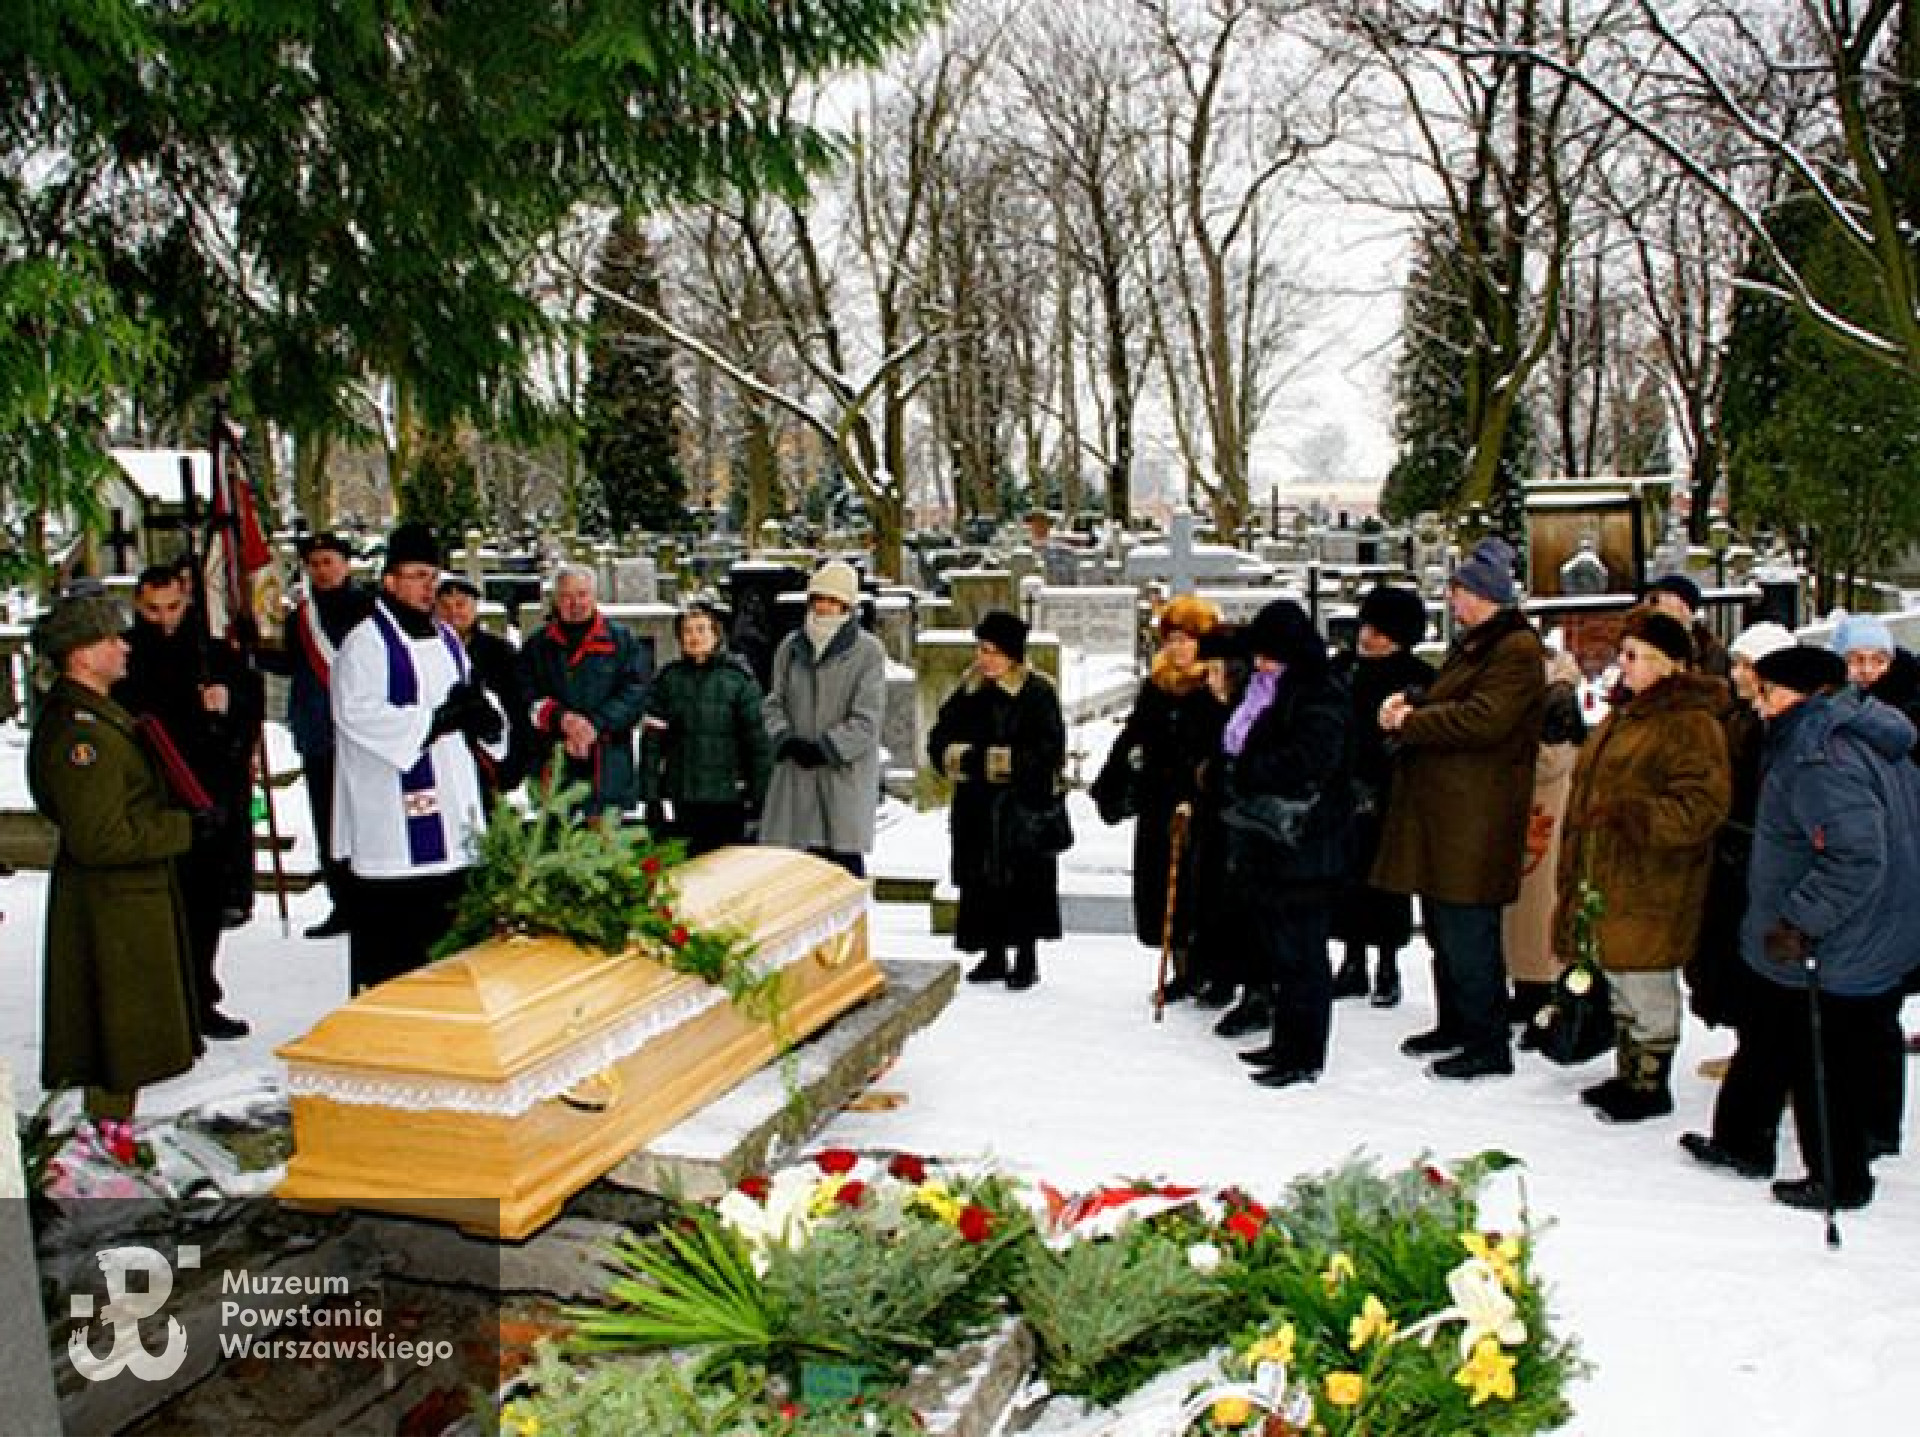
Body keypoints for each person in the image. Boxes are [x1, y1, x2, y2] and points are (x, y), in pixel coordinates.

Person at [1737, 644, 1920, 1212]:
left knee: (1827, 1060)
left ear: (1802, 693)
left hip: (1841, 937)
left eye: (1767, 692)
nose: (1760, 706)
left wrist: (1801, 918)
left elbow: (1855, 855)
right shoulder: (1862, 735)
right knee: (1856, 1048)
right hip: (1880, 927)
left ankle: (1839, 1177)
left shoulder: (1817, 755)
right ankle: (1858, 1150)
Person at [30, 593, 207, 1119]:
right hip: (111, 907)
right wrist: (180, 828)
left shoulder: (97, 717)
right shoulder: (81, 735)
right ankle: (108, 1144)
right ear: (81, 654)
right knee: (115, 1040)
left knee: (121, 1043)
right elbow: (99, 837)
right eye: (111, 638)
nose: (123, 646)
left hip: (125, 900)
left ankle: (113, 1139)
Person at [1374, 536, 1545, 1080]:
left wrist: (1410, 722)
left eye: (1458, 591)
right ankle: (1455, 1024)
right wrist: (1416, 700)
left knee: (1470, 932)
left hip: (1477, 815)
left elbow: (1484, 719)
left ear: (1482, 594)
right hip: (1448, 813)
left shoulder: (1515, 649)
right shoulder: (1479, 643)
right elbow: (1455, 698)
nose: (1451, 601)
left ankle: (1486, 1041)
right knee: (1445, 928)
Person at [1554, 607, 1731, 1123]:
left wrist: (1635, 815)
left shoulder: (1689, 723)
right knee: (1619, 975)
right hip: (1609, 870)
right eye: (1623, 655)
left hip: (1652, 875)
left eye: (1635, 656)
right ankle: (1628, 1070)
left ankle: (1651, 1082)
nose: (1623, 665)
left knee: (1646, 979)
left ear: (1671, 664)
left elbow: (1702, 805)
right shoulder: (1629, 712)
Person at [331, 522, 506, 991]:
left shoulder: (448, 640)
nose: (431, 587)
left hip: (454, 812)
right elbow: (358, 715)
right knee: (398, 957)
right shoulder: (364, 644)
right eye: (419, 576)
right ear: (389, 581)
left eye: (434, 577)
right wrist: (434, 721)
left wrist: (487, 722)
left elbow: (474, 697)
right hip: (394, 824)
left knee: (453, 945)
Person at [115, 564, 265, 1040]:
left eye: (173, 607)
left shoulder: (212, 653)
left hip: (212, 794)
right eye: (151, 609)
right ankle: (166, 1004)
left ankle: (201, 994)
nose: (163, 619)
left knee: (205, 905)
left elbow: (247, 716)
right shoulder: (126, 658)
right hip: (156, 797)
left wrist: (228, 708)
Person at [1680, 621, 1800, 1176]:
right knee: (1760, 1012)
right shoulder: (1747, 721)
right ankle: (1744, 1136)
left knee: (1772, 1016)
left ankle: (1750, 1141)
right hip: (1751, 870)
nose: (1740, 677)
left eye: (1754, 670)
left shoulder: (1791, 738)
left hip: (1776, 883)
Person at [1220, 600, 1353, 1089]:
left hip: (1306, 841)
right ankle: (1285, 1039)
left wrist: (1249, 768)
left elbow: (1311, 759)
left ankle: (1304, 1052)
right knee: (1281, 948)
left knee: (1304, 952)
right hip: (1270, 840)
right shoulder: (1266, 688)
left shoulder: (1319, 691)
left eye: (1269, 655)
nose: (1260, 664)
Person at [1091, 596, 1227, 1002]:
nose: (1178, 648)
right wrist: (1113, 780)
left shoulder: (1216, 685)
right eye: (1171, 639)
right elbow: (1134, 735)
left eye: (1187, 639)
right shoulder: (1157, 685)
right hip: (1158, 798)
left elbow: (1221, 745)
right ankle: (1180, 969)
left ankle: (1210, 971)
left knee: (1199, 888)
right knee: (1161, 884)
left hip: (1202, 802)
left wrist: (1198, 792)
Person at [928, 611, 1068, 991]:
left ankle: (1025, 956)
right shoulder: (969, 691)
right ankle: (991, 953)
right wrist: (959, 759)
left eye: (993, 651)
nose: (985, 658)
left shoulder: (1037, 693)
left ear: (1012, 654)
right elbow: (939, 738)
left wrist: (994, 762)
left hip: (1020, 807)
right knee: (980, 881)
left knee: (1022, 882)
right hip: (975, 804)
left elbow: (1047, 750)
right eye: (981, 649)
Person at [1330, 585, 1434, 1009]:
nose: (1366, 636)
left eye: (1377, 629)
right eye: (1365, 626)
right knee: (1345, 880)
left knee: (1386, 883)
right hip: (1343, 788)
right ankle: (1352, 961)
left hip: (1392, 792)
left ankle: (1387, 964)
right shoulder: (1343, 669)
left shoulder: (1417, 678)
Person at [761, 559, 887, 878]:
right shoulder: (790, 648)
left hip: (841, 776)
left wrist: (827, 747)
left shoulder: (868, 651)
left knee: (842, 866)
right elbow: (773, 701)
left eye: (833, 601)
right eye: (818, 599)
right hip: (796, 773)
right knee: (797, 872)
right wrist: (784, 738)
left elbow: (867, 719)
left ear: (846, 605)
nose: (824, 608)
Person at [279, 532, 375, 937]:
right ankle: (342, 903)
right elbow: (290, 664)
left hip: (361, 733)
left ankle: (372, 900)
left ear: (346, 564)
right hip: (318, 731)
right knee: (327, 821)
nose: (321, 570)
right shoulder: (300, 617)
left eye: (329, 561)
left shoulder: (369, 610)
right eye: (314, 563)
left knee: (365, 820)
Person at [638, 603, 773, 856]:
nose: (695, 637)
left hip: (727, 796)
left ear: (716, 634)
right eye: (687, 631)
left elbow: (757, 742)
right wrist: (651, 796)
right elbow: (652, 742)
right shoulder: (668, 680)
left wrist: (759, 795)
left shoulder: (738, 680)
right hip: (684, 793)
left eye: (702, 630)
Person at [519, 564, 651, 819]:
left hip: (609, 767)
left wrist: (593, 725)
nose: (575, 603)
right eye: (567, 596)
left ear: (594, 596)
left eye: (582, 594)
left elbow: (635, 692)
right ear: (556, 599)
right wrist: (563, 720)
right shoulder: (538, 645)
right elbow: (525, 694)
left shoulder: (622, 641)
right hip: (554, 765)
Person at [1504, 646, 1587, 1037]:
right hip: (1545, 825)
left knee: (1533, 912)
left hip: (1539, 820)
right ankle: (1537, 991)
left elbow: (1546, 759)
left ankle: (1536, 995)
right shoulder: (1564, 716)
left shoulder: (1544, 732)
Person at [436, 575, 533, 801]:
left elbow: (518, 708)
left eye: (461, 605)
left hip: (490, 757)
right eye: (445, 606)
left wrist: (514, 762)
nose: (453, 613)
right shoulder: (425, 651)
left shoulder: (499, 652)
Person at [1645, 572, 1731, 679]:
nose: (1652, 608)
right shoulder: (1644, 641)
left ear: (1683, 607)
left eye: (1656, 600)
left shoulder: (1709, 651)